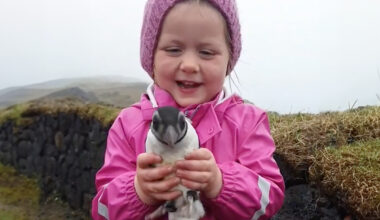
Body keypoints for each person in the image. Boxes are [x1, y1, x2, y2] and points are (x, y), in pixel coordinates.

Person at [91, 0, 285, 219]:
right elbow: (102, 211)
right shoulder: (128, 125)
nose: (190, 65)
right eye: (174, 50)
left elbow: (270, 200)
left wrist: (221, 183)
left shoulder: (248, 123)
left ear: (229, 59)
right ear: (151, 57)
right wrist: (138, 191)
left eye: (206, 52)